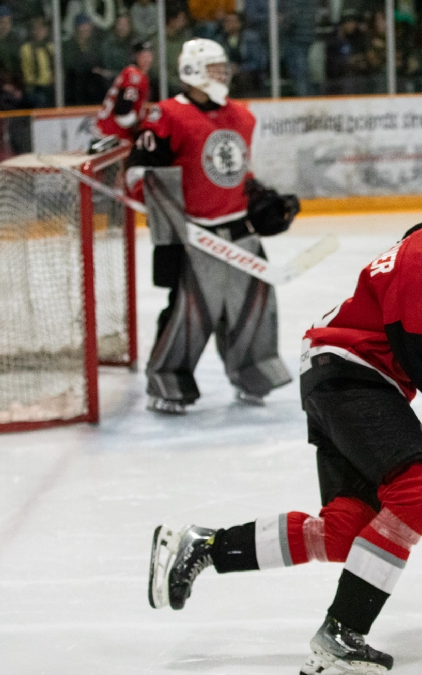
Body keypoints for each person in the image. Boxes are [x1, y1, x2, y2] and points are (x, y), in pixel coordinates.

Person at [147, 159, 422, 675]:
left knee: (346, 533)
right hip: (350, 376)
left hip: (338, 371)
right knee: (419, 495)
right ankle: (339, 640)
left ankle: (202, 547)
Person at [126, 38, 299, 414]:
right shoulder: (166, 115)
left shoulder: (242, 115)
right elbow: (139, 175)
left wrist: (260, 199)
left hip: (240, 231)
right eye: (214, 69)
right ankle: (168, 382)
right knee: (189, 314)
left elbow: (238, 172)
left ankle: (254, 373)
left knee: (254, 306)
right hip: (193, 234)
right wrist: (170, 221)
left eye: (223, 69)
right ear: (190, 72)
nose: (223, 76)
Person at [94, 40, 153, 139]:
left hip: (109, 129)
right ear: (135, 57)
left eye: (149, 55)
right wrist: (138, 127)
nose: (146, 60)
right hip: (112, 131)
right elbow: (123, 110)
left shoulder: (135, 74)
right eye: (143, 56)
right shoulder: (134, 74)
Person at [280, 0, 319, 96]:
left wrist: (282, 25)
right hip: (304, 31)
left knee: (299, 72)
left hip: (298, 33)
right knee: (302, 71)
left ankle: (304, 104)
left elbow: (294, 11)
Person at [20, 16, 56, 107]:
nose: (39, 32)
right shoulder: (26, 49)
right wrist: (41, 81)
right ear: (32, 31)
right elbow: (26, 75)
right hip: (34, 88)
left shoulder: (51, 48)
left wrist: (54, 77)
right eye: (36, 29)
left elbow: (57, 68)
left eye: (41, 29)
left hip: (50, 87)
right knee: (40, 98)